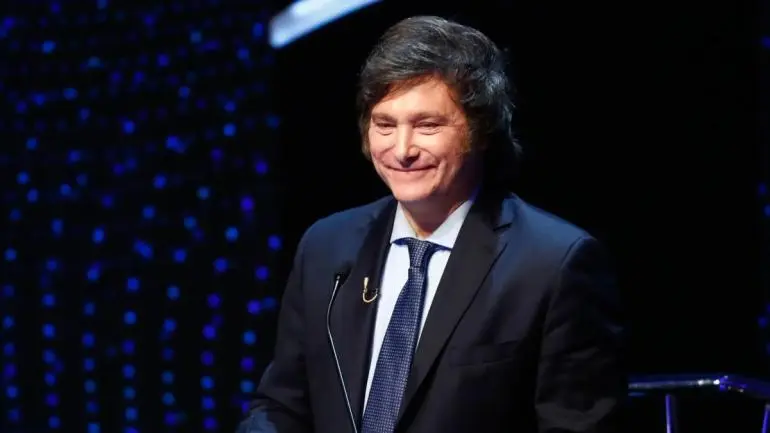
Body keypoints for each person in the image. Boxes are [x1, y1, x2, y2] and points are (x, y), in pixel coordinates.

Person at [237, 15, 625, 433]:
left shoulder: (553, 264)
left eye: (427, 125)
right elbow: (282, 407)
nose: (402, 149)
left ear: (480, 130)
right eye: (385, 125)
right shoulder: (326, 248)